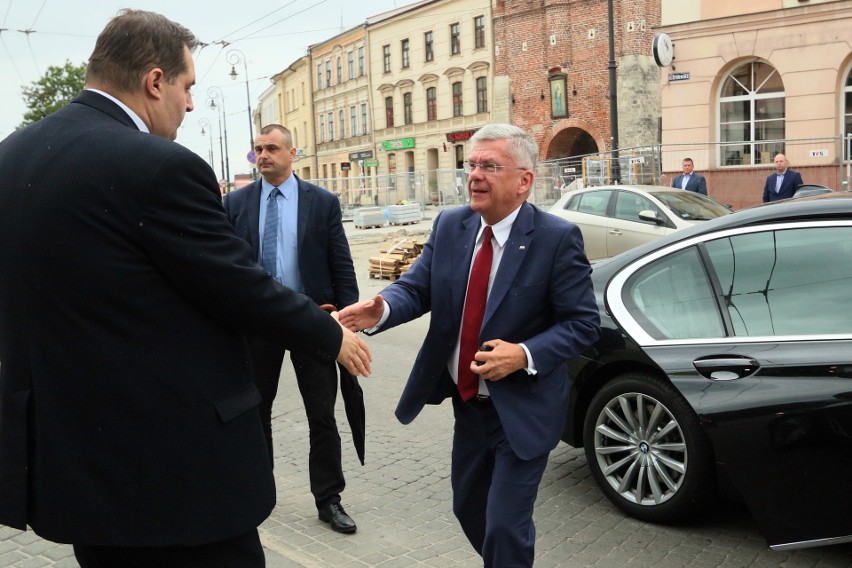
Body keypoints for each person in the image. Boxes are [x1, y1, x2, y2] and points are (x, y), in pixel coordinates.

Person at [0, 10, 371, 568]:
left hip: (74, 464)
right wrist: (326, 331)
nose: (192, 103)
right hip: (172, 475)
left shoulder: (12, 154)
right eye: (188, 86)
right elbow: (235, 285)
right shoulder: (158, 166)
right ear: (154, 81)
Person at [338, 123, 600, 567]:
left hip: (524, 410)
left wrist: (525, 354)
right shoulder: (452, 224)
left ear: (524, 181)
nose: (474, 175)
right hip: (470, 407)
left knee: (504, 525)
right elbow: (418, 288)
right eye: (471, 165)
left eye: (489, 166)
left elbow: (583, 324)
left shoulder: (556, 239)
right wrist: (380, 309)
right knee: (469, 510)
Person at [223, 124, 359, 534]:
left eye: (271, 148)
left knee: (322, 415)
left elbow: (341, 263)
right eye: (258, 149)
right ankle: (256, 493)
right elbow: (225, 266)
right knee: (254, 412)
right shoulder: (236, 204)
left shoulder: (321, 202)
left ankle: (329, 499)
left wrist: (347, 319)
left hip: (311, 320)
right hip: (258, 323)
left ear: (292, 153)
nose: (263, 155)